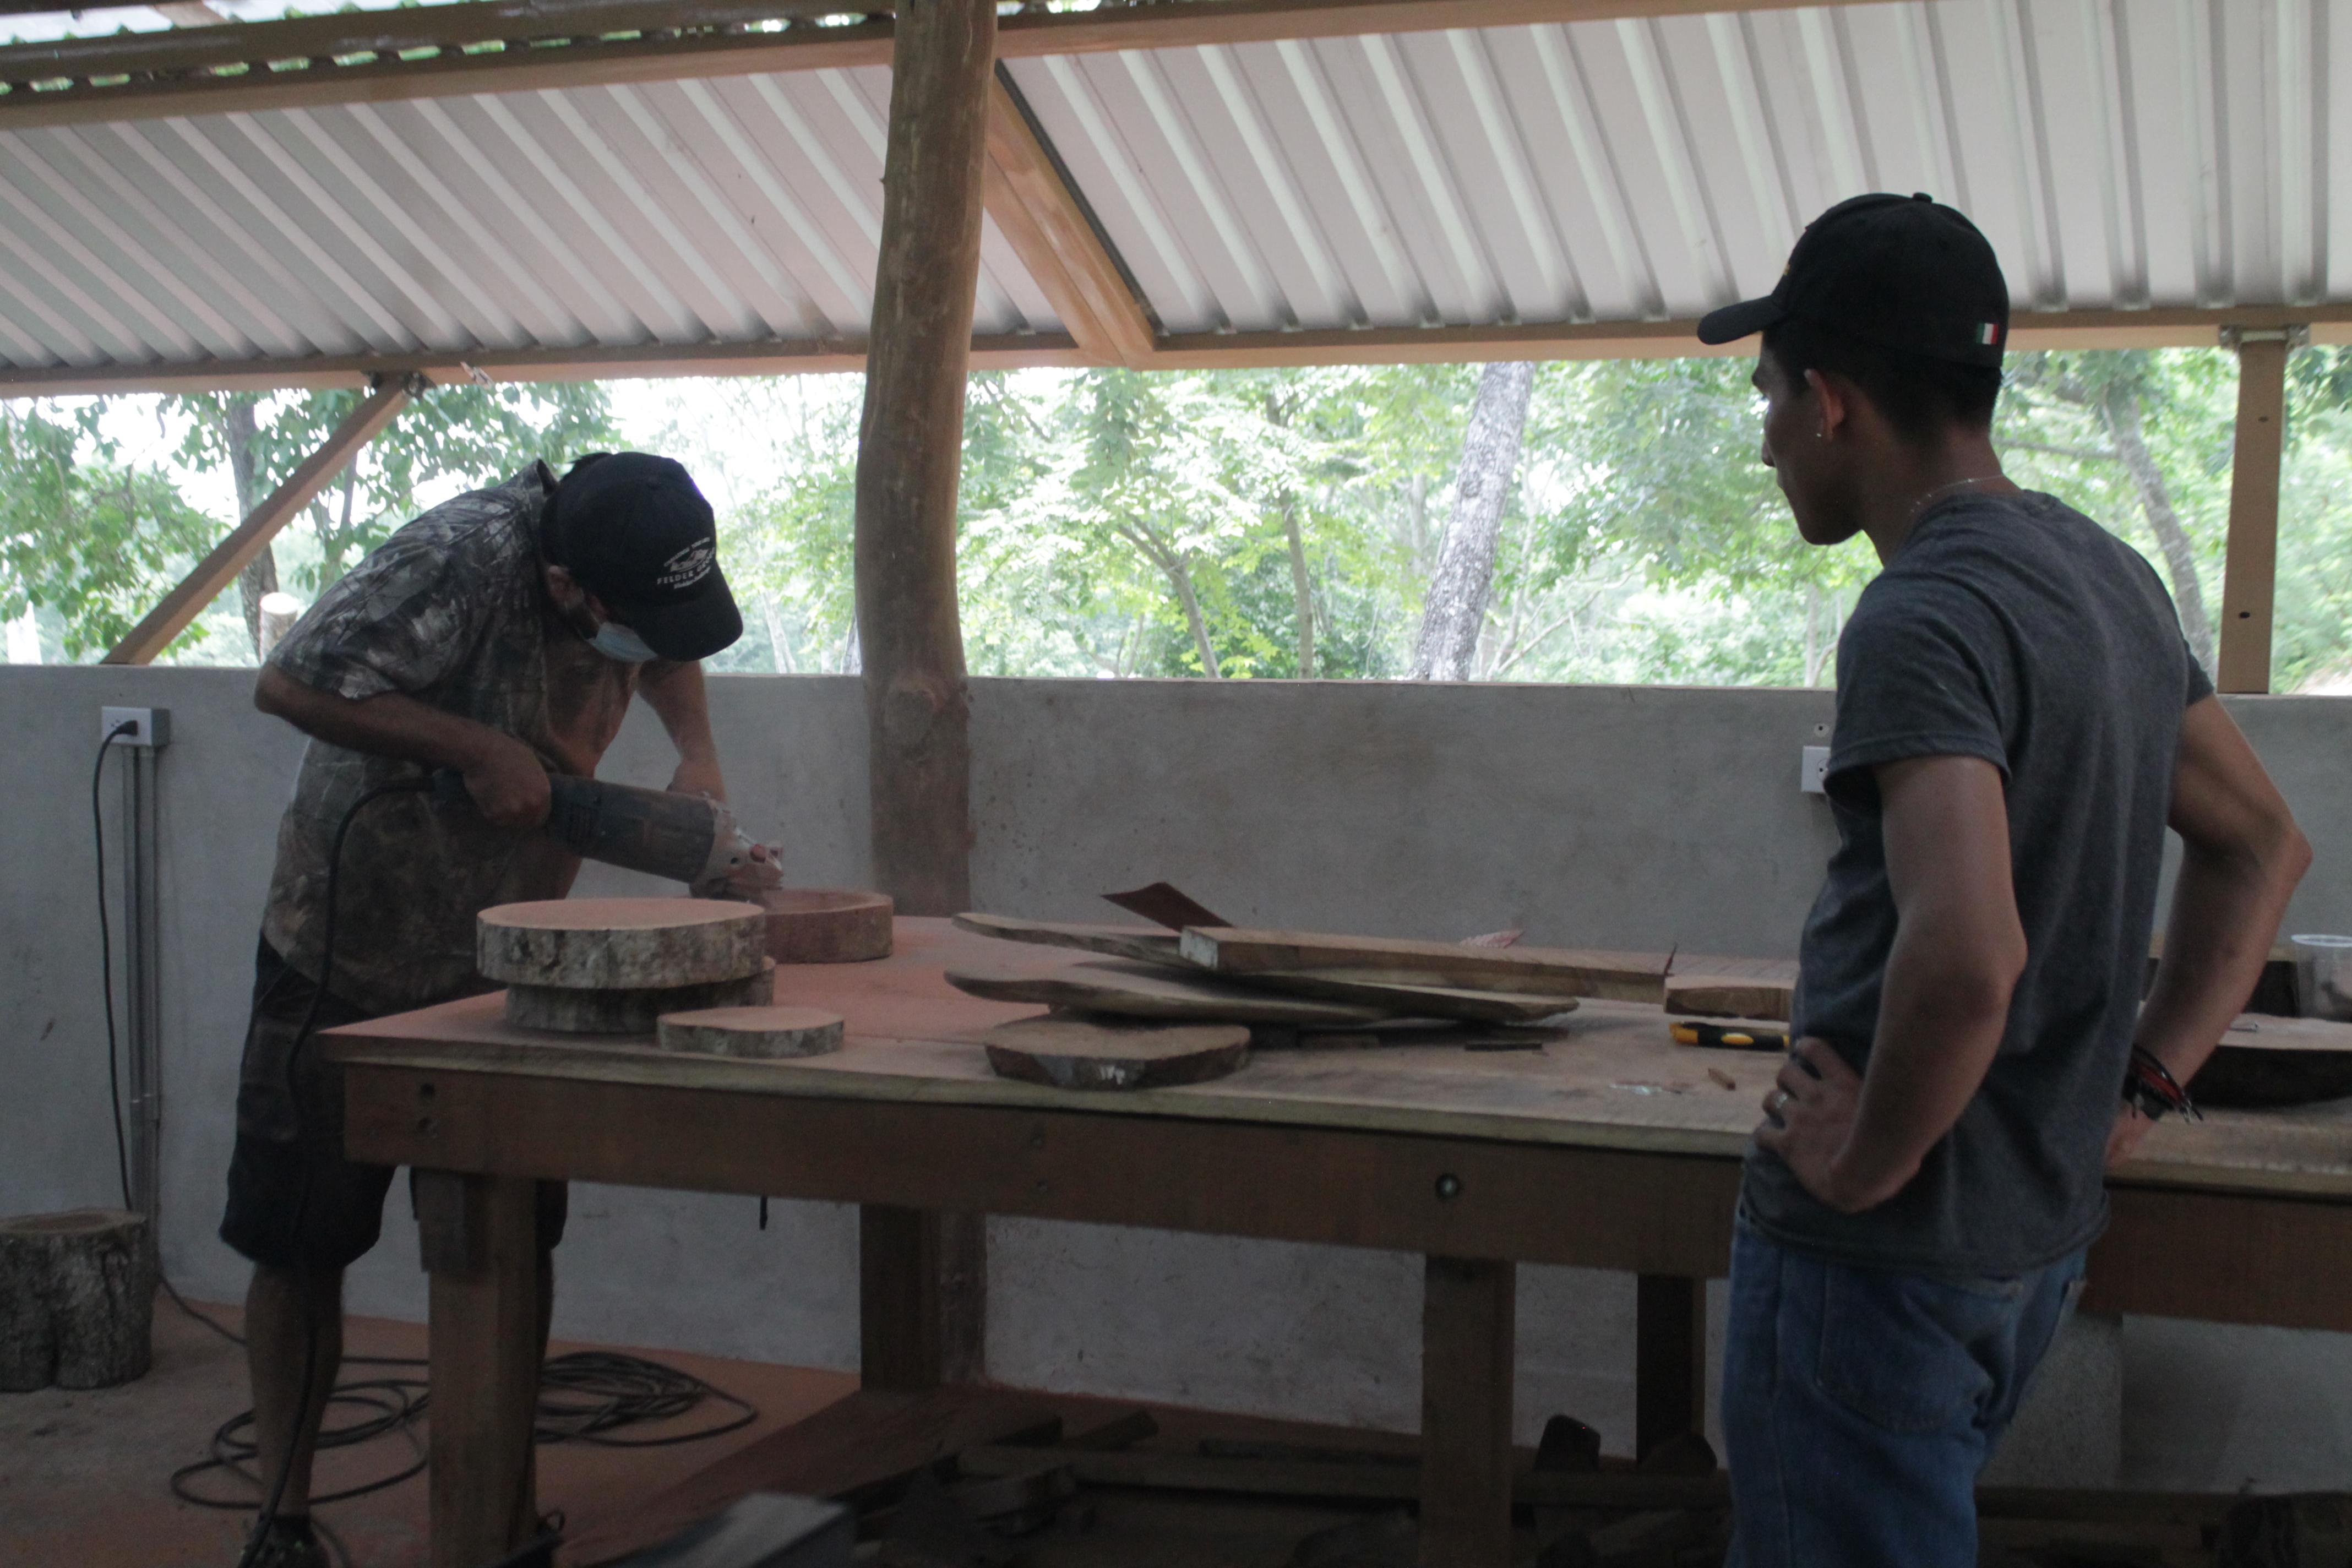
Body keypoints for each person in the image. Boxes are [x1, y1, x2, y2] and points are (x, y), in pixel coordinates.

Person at [1696, 194, 2311, 1567]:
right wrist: (2144, 1084)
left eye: (1771, 397)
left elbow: (1970, 956)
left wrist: (1865, 1163)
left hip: (1885, 1259)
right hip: (2025, 1241)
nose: (1767, 438)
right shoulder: (2107, 576)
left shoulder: (1919, 612)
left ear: (1834, 405)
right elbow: (2265, 843)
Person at [221, 452, 757, 1568]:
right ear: (568, 586)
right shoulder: (456, 560)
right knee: (302, 1238)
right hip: (349, 942)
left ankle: (499, 1517)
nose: (647, 640)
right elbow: (289, 681)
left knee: (507, 1233)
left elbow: (665, 644)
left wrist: (696, 754)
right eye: (625, 619)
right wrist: (474, 746)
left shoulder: (637, 536)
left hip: (509, 952)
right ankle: (282, 1520)